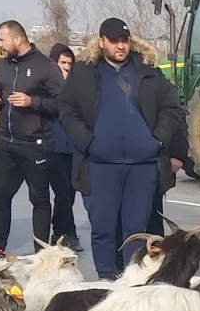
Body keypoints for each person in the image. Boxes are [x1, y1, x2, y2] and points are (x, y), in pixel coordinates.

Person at [59, 18, 185, 279]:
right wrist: (88, 142)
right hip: (100, 164)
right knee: (103, 228)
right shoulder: (84, 72)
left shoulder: (148, 72)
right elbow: (67, 110)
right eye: (114, 41)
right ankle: (106, 279)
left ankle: (132, 280)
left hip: (142, 164)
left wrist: (157, 140)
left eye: (124, 41)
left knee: (136, 230)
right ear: (102, 41)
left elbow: (172, 108)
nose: (120, 46)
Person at [0, 21, 62, 257]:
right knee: (0, 196)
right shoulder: (3, 66)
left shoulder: (46, 67)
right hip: (7, 142)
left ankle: (41, 251)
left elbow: (63, 104)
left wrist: (32, 102)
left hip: (35, 144)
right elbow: (0, 95)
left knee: (38, 199)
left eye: (1, 40)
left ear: (17, 39)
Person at [45, 43, 81, 250]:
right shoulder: (47, 85)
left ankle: (59, 232)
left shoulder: (76, 85)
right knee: (62, 193)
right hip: (53, 145)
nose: (67, 67)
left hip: (73, 147)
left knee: (69, 193)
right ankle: (70, 233)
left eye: (69, 63)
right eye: (62, 63)